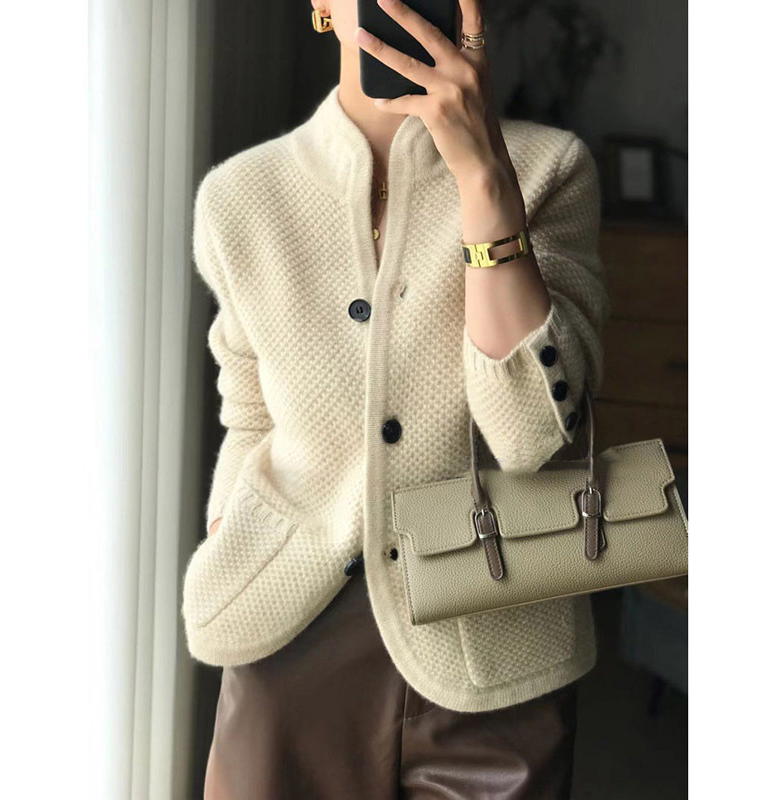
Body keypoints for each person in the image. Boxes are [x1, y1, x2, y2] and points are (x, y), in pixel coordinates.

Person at [182, 0, 610, 796]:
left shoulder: (548, 169)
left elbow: (528, 433)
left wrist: (482, 178)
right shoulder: (240, 198)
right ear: (321, 5)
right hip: (292, 636)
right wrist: (229, 531)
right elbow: (250, 411)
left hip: (496, 645)